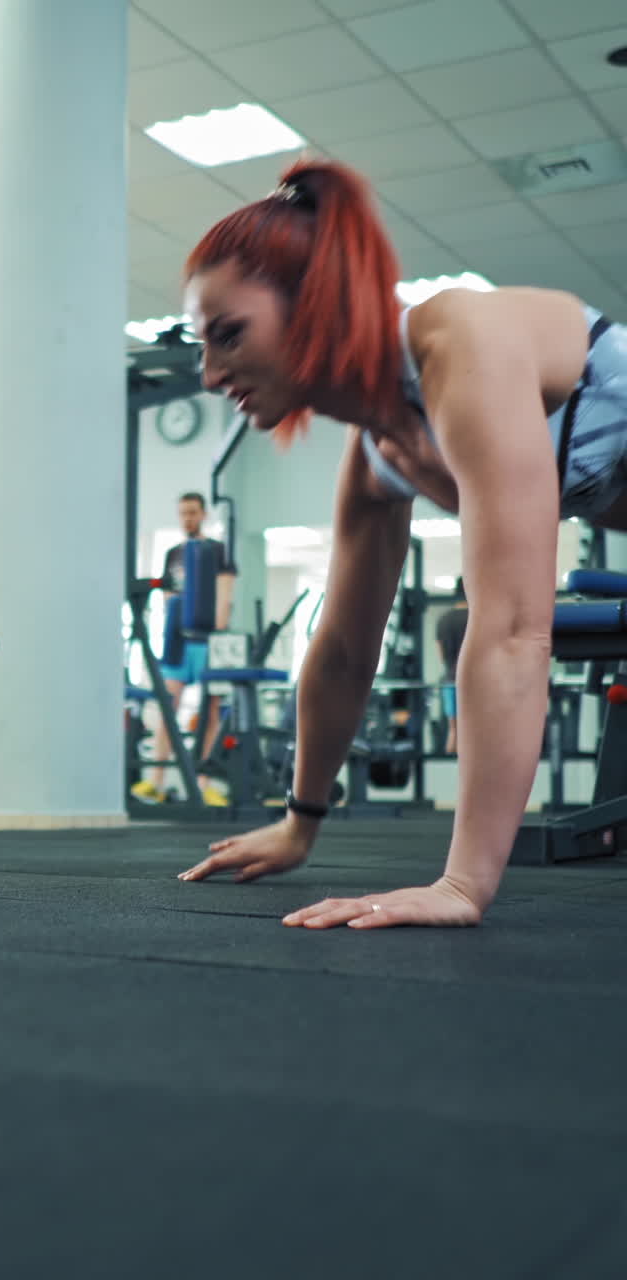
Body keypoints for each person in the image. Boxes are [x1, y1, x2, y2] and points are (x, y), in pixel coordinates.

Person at [174, 156, 627, 929]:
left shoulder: (461, 340)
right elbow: (346, 649)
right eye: (201, 346)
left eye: (229, 335)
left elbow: (518, 631)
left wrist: (462, 885)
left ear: (312, 301)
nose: (212, 373)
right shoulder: (379, 456)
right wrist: (300, 821)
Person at [131, 491, 236, 804]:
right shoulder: (173, 554)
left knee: (211, 712)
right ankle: (157, 782)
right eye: (183, 513)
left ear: (203, 514)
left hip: (207, 641)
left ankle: (203, 784)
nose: (187, 518)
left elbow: (224, 597)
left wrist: (214, 631)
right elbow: (167, 596)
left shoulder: (218, 551)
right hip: (177, 640)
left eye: (193, 512)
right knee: (167, 706)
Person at [434, 578, 469, 754]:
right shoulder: (478, 619)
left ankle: (450, 770)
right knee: (474, 730)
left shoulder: (443, 620)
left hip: (451, 680)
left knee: (454, 730)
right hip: (476, 682)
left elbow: (441, 654)